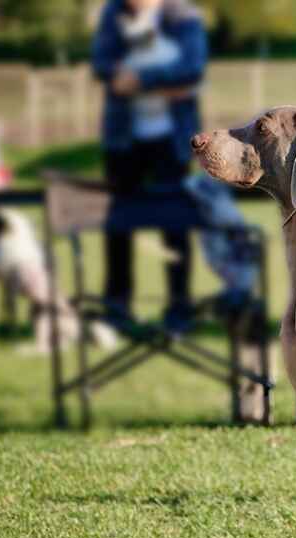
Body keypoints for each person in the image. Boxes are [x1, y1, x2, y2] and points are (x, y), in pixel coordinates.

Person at [91, 0, 207, 333]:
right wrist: (164, 83)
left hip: (172, 139)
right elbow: (102, 65)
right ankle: (117, 306)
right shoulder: (113, 13)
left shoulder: (185, 16)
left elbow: (192, 69)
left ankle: (179, 307)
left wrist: (139, 79)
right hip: (123, 139)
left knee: (175, 225)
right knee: (117, 222)